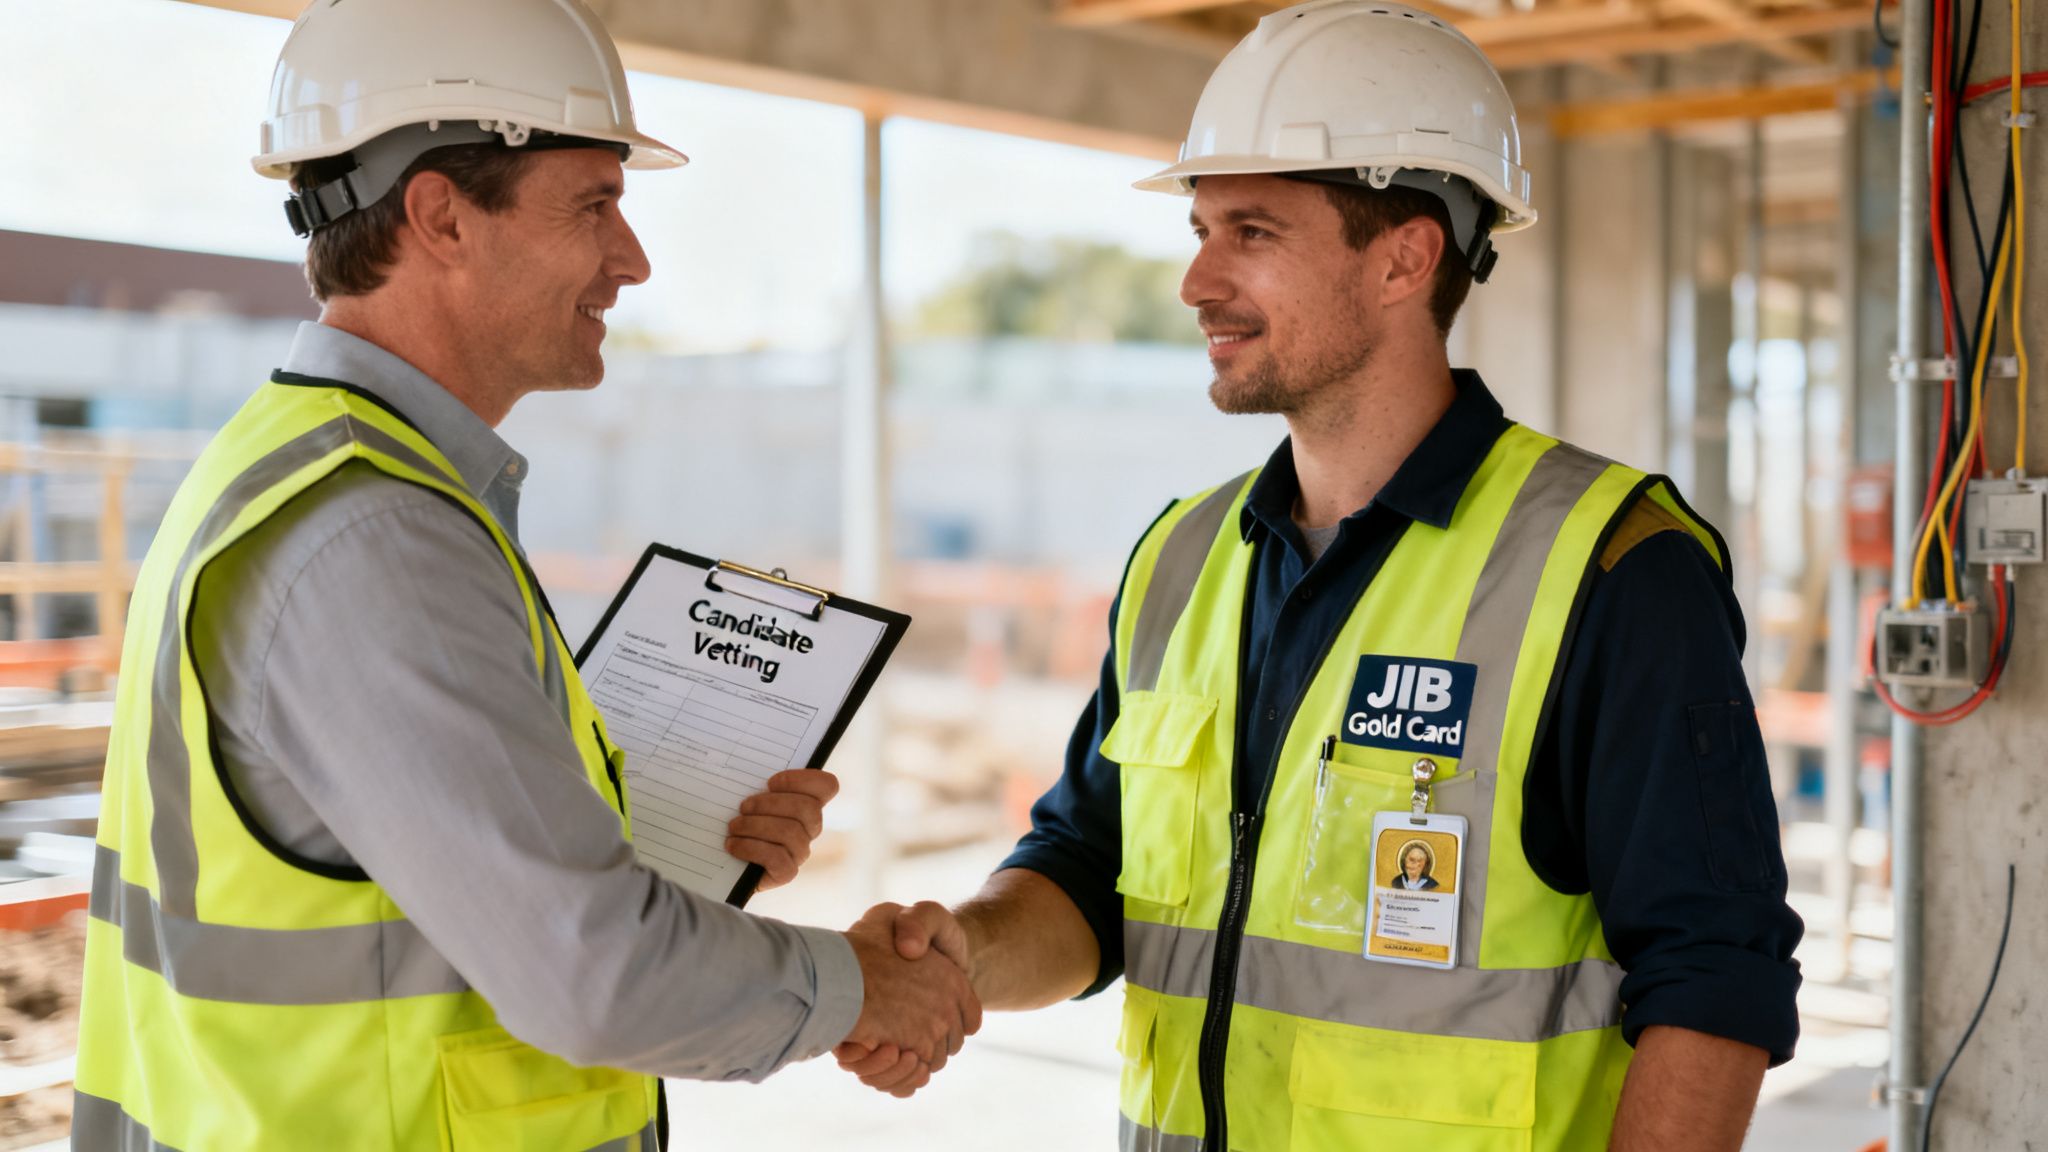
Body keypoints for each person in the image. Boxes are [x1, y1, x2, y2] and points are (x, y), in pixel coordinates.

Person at [836, 3, 1801, 1150]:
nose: (1195, 280)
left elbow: (1713, 976)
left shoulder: (1608, 566)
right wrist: (965, 950)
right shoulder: (1180, 558)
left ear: (1403, 257)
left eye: (1250, 231)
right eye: (1197, 229)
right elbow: (1087, 869)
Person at [72, 1, 976, 1147]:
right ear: (441, 215)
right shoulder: (376, 536)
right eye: (595, 205)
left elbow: (387, 868)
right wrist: (859, 986)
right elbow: (593, 978)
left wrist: (656, 834)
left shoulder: (320, 476)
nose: (633, 260)